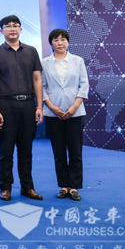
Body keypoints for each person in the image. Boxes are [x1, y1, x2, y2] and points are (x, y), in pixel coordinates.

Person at [0, 15, 44, 201]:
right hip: (6, 105)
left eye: (15, 25)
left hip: (28, 104)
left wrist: (39, 106)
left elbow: (37, 79)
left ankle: (27, 187)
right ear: (1, 31)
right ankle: (5, 188)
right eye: (8, 26)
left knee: (26, 149)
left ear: (20, 29)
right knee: (6, 150)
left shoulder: (31, 51)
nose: (12, 29)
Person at [42, 29, 89, 201]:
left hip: (75, 113)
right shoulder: (44, 63)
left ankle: (74, 187)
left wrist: (74, 107)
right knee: (59, 151)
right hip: (53, 114)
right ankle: (63, 186)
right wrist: (52, 107)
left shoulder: (78, 61)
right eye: (56, 40)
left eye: (63, 39)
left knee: (75, 151)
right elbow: (41, 87)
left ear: (68, 42)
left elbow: (84, 85)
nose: (60, 43)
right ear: (51, 43)